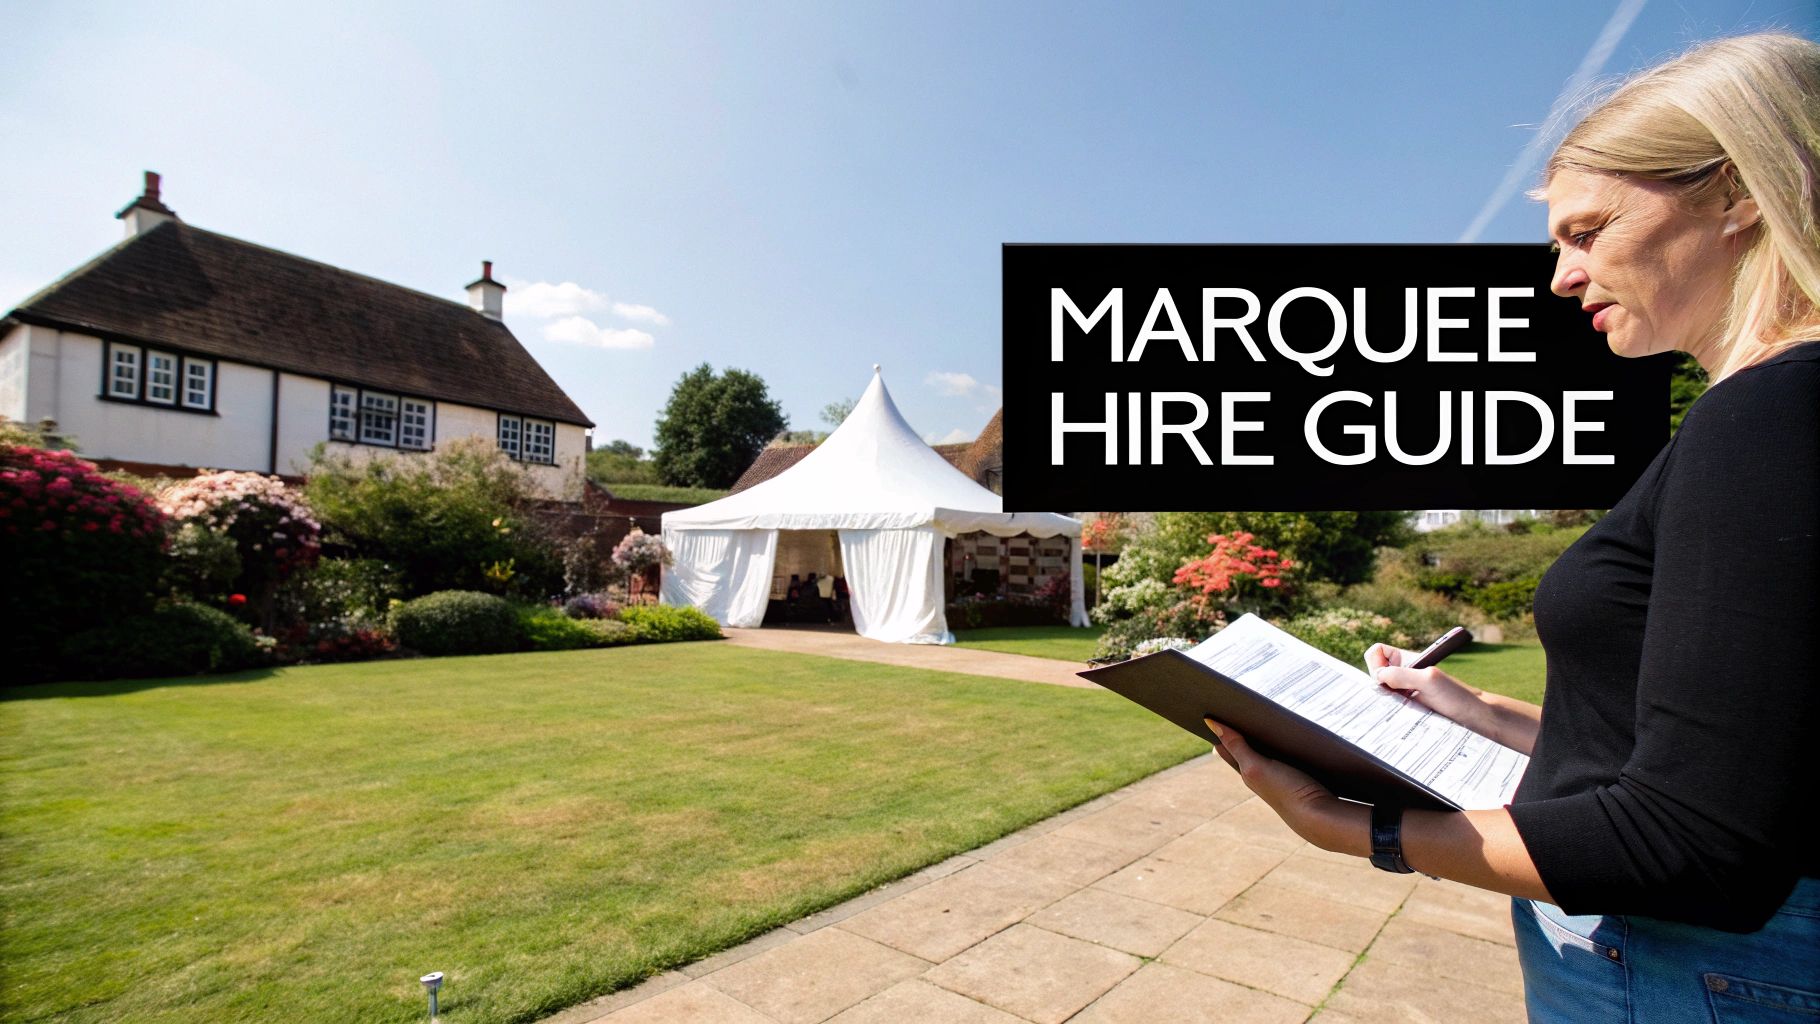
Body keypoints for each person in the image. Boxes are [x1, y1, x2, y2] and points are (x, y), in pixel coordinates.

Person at [1203, 33, 1820, 1022]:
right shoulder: (1758, 417)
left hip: (1685, 968)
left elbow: (1694, 842)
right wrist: (1472, 709)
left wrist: (1361, 830)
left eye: (1585, 231)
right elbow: (1712, 750)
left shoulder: (1766, 416)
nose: (1559, 276)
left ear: (1732, 192)